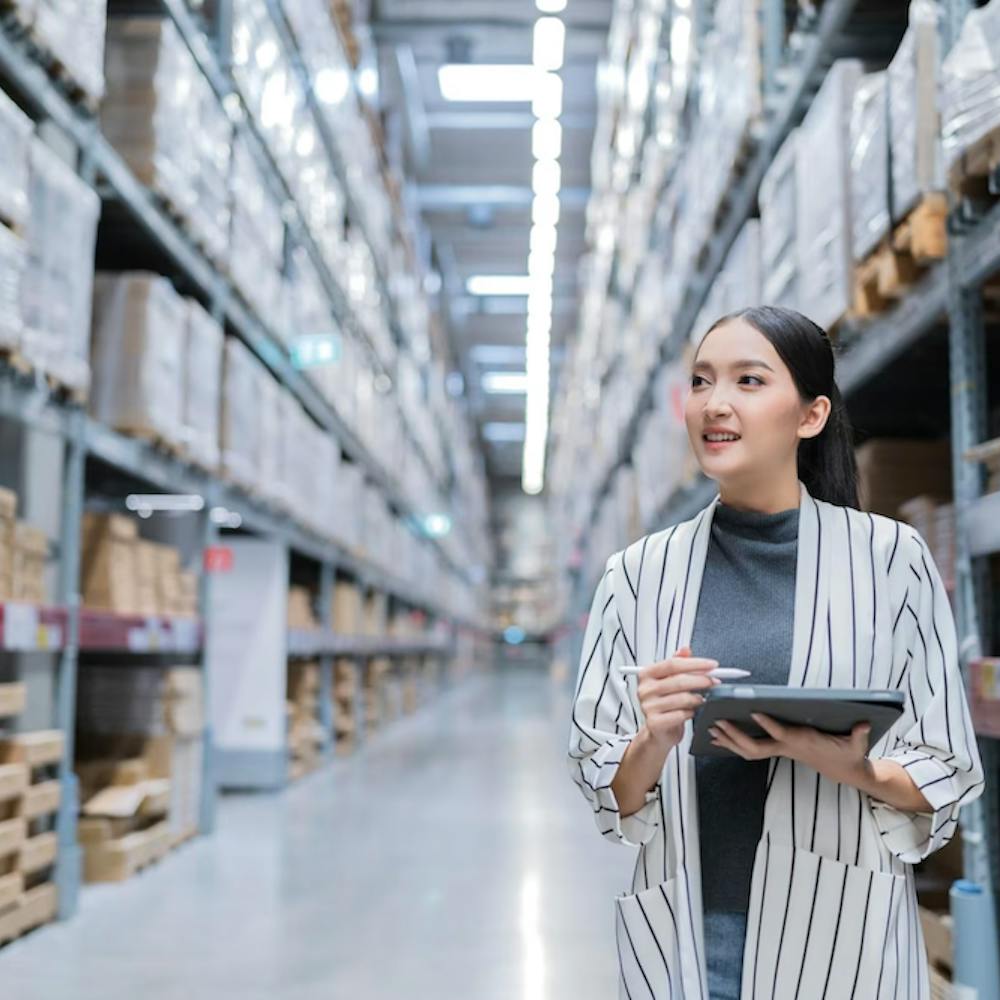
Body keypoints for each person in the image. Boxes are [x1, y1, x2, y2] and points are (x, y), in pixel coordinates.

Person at [567, 306, 984, 999]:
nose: (715, 404)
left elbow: (946, 768)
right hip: (694, 937)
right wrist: (653, 739)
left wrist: (851, 766)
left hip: (841, 934)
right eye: (701, 383)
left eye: (748, 381)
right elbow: (606, 786)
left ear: (811, 415)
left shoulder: (890, 561)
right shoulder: (636, 575)